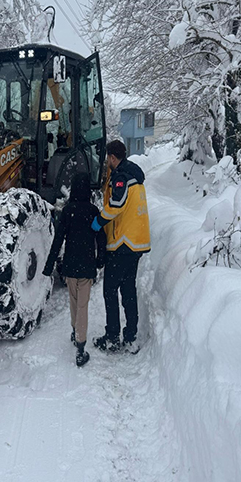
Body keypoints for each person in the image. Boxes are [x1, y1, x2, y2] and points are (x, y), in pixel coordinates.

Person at [91, 140, 150, 354]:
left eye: (108, 158)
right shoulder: (135, 175)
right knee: (127, 289)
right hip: (136, 242)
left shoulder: (121, 176)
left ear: (113, 158)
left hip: (124, 242)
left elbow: (116, 204)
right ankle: (130, 337)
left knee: (110, 290)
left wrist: (98, 221)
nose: (107, 162)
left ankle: (112, 337)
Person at [43, 172, 102, 367]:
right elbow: (101, 239)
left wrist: (49, 265)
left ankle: (75, 330)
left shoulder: (67, 211)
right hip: (86, 265)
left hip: (69, 265)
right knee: (83, 304)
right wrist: (101, 260)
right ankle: (81, 346)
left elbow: (58, 240)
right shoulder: (94, 212)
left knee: (74, 301)